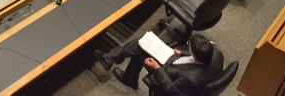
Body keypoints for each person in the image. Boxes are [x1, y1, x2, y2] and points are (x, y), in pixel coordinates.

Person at [94, 34, 223, 93]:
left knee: (140, 51)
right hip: (177, 61)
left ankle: (111, 59)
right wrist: (183, 53)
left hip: (169, 72)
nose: (188, 46)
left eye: (189, 47)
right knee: (142, 42)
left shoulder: (190, 79)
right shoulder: (216, 54)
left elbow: (170, 88)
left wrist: (156, 67)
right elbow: (198, 54)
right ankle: (113, 61)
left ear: (194, 55)